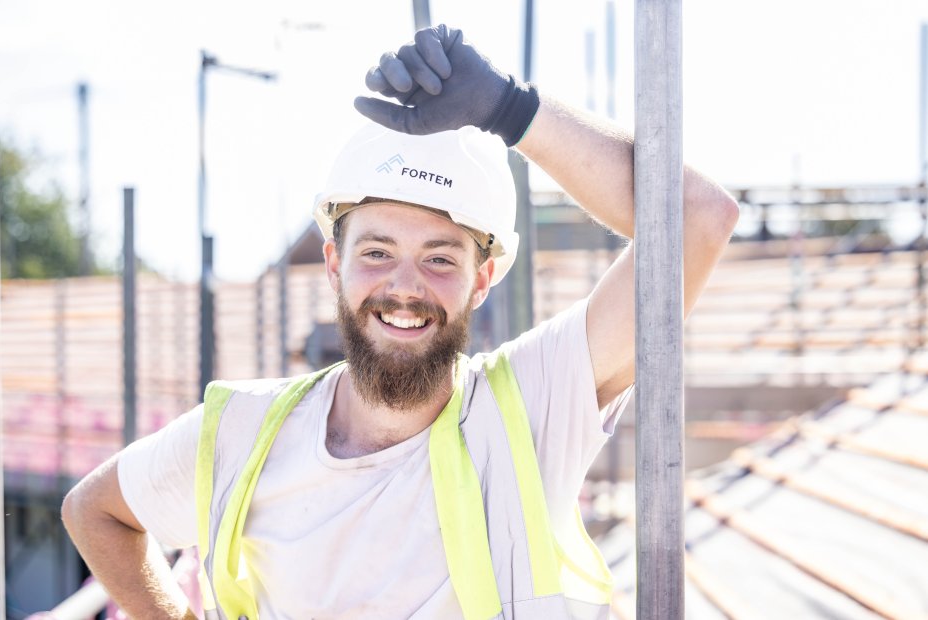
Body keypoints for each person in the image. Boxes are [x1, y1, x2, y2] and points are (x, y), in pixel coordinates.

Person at [62, 24, 738, 620]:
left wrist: (511, 108)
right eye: (378, 252)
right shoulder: (240, 433)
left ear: (483, 278)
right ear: (335, 263)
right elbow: (94, 512)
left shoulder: (528, 413)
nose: (405, 289)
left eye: (440, 258)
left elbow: (698, 220)